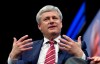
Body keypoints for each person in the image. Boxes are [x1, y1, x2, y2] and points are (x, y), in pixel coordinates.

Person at [7, 5, 88, 64]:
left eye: (55, 18)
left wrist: (79, 54)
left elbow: (89, 62)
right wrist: (13, 57)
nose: (51, 21)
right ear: (39, 26)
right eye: (46, 19)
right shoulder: (27, 48)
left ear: (61, 23)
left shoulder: (76, 45)